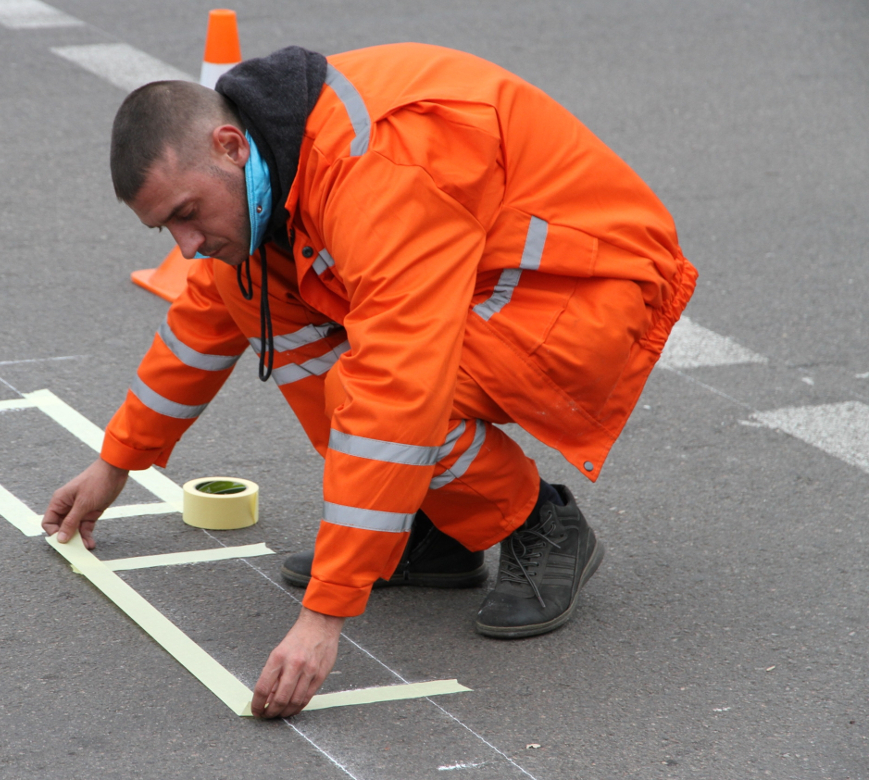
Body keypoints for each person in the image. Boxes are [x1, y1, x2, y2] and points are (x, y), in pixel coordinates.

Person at [42, 43, 697, 719]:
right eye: (165, 227)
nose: (182, 245)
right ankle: (440, 525)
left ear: (230, 145)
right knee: (255, 294)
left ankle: (543, 524)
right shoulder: (275, 165)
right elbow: (202, 323)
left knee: (393, 392)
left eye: (185, 213)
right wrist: (116, 462)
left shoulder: (376, 167)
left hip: (579, 284)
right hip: (485, 274)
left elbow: (397, 387)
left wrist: (325, 613)